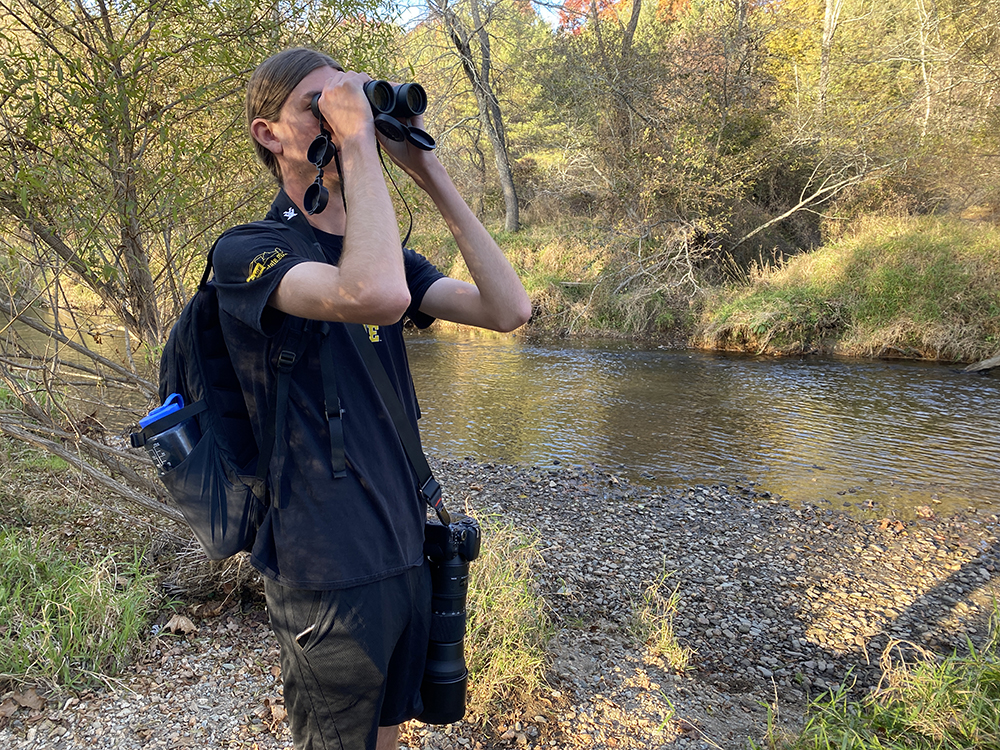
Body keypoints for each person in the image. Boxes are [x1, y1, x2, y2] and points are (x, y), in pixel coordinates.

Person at [210, 48, 531, 750]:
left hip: (402, 543)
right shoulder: (247, 253)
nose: (342, 115)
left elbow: (509, 309)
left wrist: (426, 169)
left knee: (387, 734)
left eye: (350, 101)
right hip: (324, 564)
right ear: (270, 134)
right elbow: (372, 296)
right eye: (319, 106)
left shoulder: (380, 255)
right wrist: (356, 140)